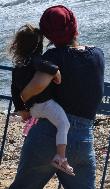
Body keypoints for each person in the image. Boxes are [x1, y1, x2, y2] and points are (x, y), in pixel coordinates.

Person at [9, 5, 105, 189]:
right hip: (81, 138)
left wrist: (24, 96)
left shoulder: (52, 56)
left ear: (48, 34)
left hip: (45, 135)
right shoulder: (97, 55)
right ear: (74, 26)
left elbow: (36, 85)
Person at [9, 24, 75, 176]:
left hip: (33, 108)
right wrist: (56, 73)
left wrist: (22, 110)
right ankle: (61, 157)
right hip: (45, 104)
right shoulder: (35, 60)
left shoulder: (18, 66)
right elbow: (49, 67)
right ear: (38, 45)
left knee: (52, 123)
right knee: (64, 124)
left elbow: (14, 91)